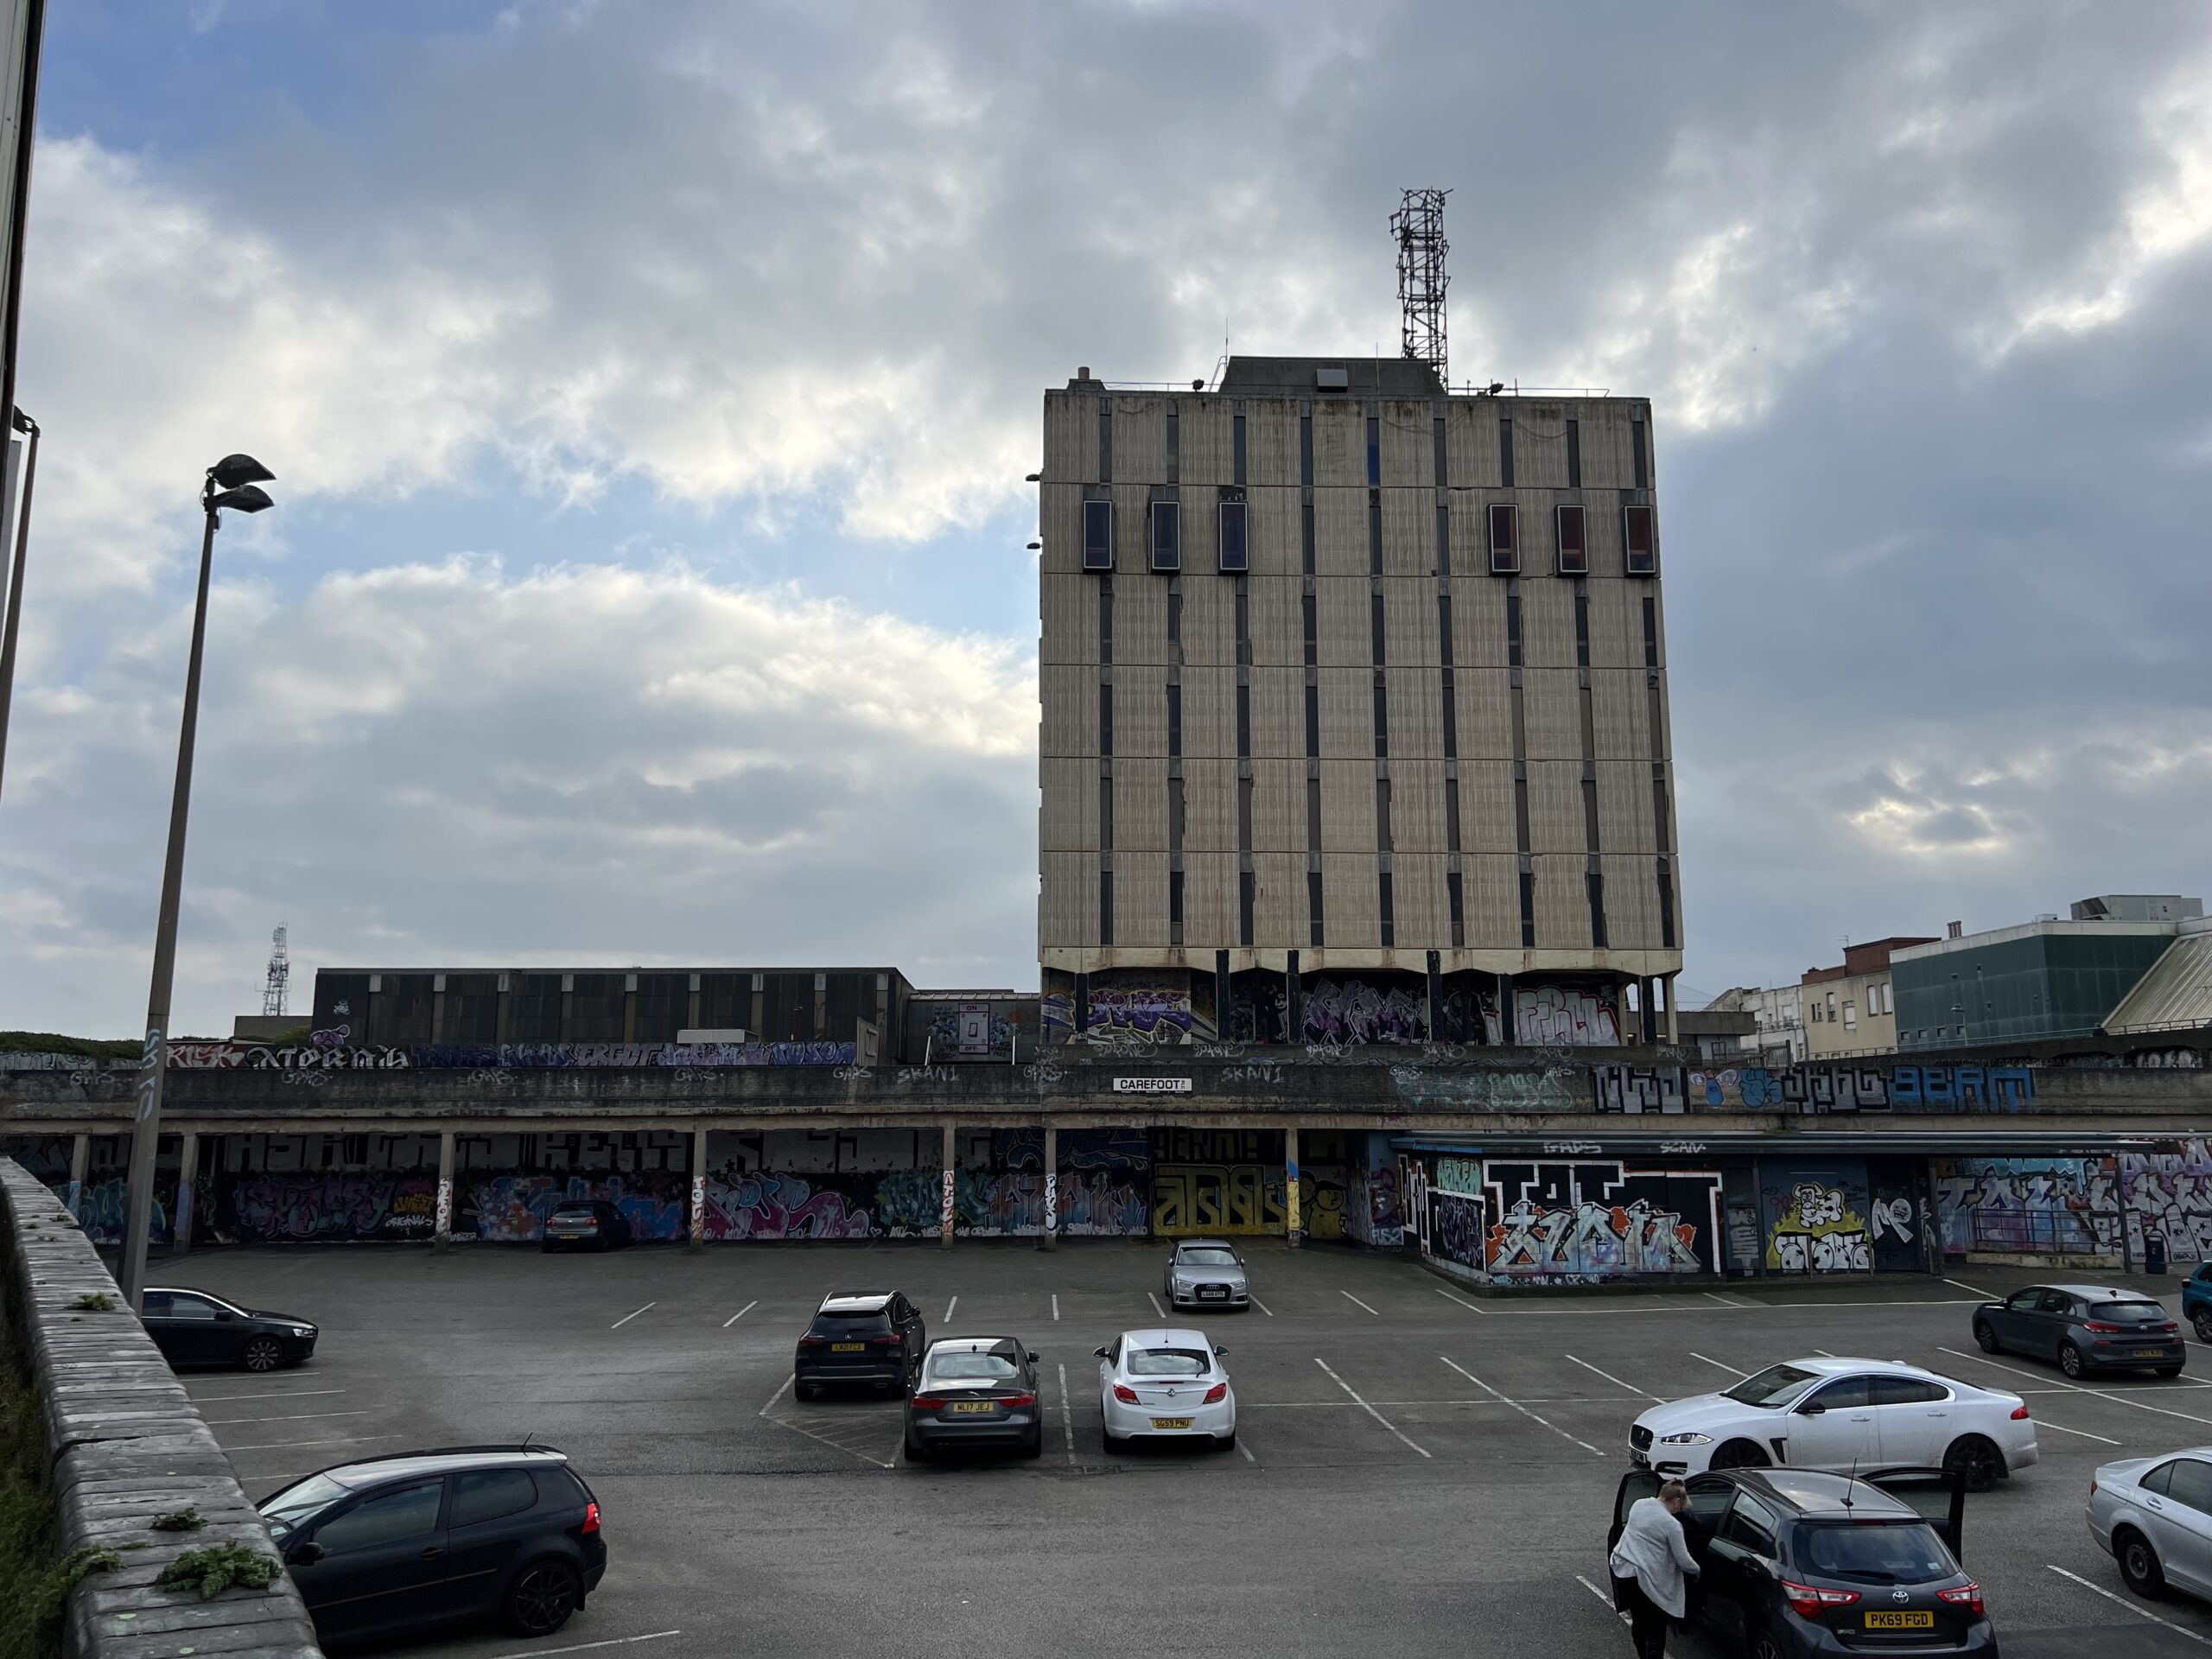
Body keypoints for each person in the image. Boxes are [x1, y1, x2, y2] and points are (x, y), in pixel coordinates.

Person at [1609, 1478, 1700, 1659]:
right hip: (1648, 1581)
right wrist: (1697, 1570)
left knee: (1639, 1623)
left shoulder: (1639, 1504)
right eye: (1680, 1506)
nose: (1679, 1511)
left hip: (1627, 1573)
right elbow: (1683, 1560)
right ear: (1676, 1501)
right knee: (1656, 1628)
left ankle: (1642, 1654)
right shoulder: (1671, 1524)